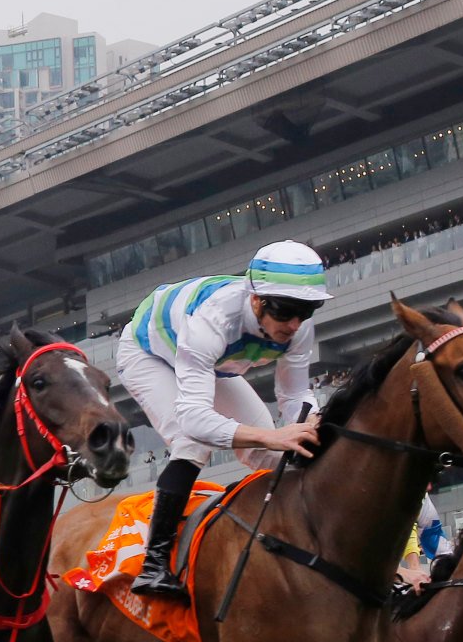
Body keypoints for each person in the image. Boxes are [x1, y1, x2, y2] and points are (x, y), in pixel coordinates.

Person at [116, 240, 329, 598]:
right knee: (192, 441)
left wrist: (309, 423)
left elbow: (294, 396)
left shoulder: (298, 328)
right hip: (148, 355)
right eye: (285, 311)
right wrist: (271, 436)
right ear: (256, 299)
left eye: (306, 311)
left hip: (212, 367)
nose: (294, 324)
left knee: (275, 457)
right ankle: (154, 563)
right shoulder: (214, 319)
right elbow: (195, 420)